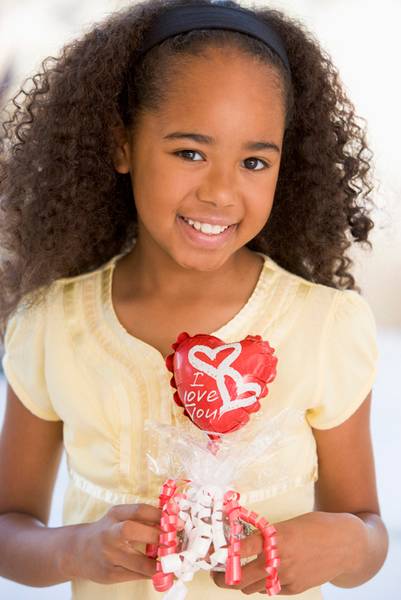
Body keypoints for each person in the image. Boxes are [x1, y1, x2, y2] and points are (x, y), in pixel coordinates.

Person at [0, 0, 389, 598]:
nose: (221, 192)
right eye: (190, 153)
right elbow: (9, 528)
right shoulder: (52, 324)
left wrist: (345, 543)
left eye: (254, 161)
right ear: (122, 144)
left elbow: (366, 531)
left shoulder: (323, 328)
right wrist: (72, 547)